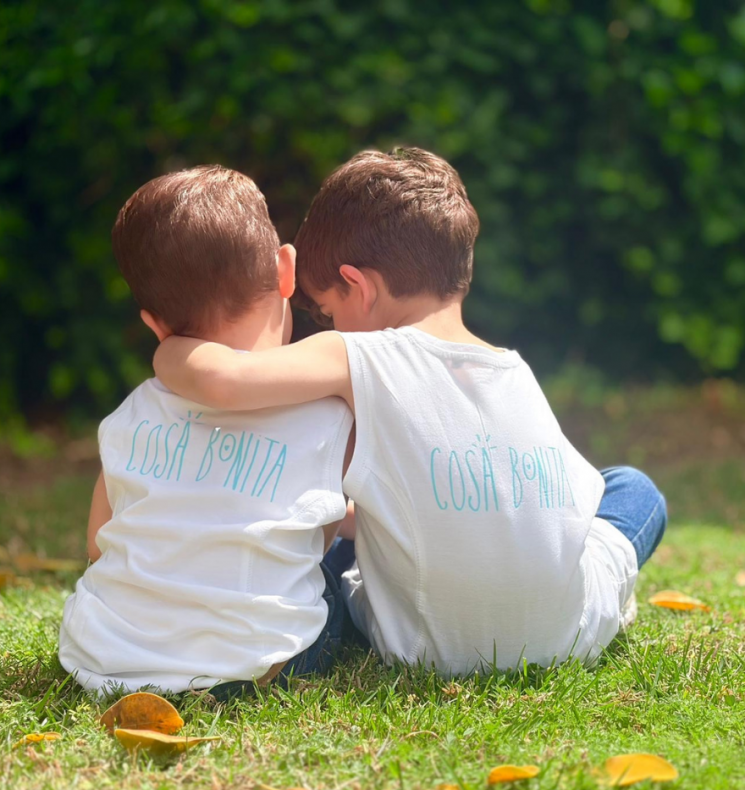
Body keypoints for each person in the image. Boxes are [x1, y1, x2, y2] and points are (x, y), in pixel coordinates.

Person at [153, 148, 667, 676]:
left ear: (360, 286)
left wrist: (169, 345)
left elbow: (220, 379)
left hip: (428, 649)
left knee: (320, 559)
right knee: (632, 488)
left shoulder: (356, 356)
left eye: (330, 312)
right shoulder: (514, 371)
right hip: (570, 635)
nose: (331, 329)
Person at [59, 166, 353, 695]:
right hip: (256, 661)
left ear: (154, 324)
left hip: (103, 657)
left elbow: (98, 547)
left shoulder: (132, 413)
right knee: (343, 573)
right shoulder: (328, 414)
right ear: (287, 270)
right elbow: (315, 542)